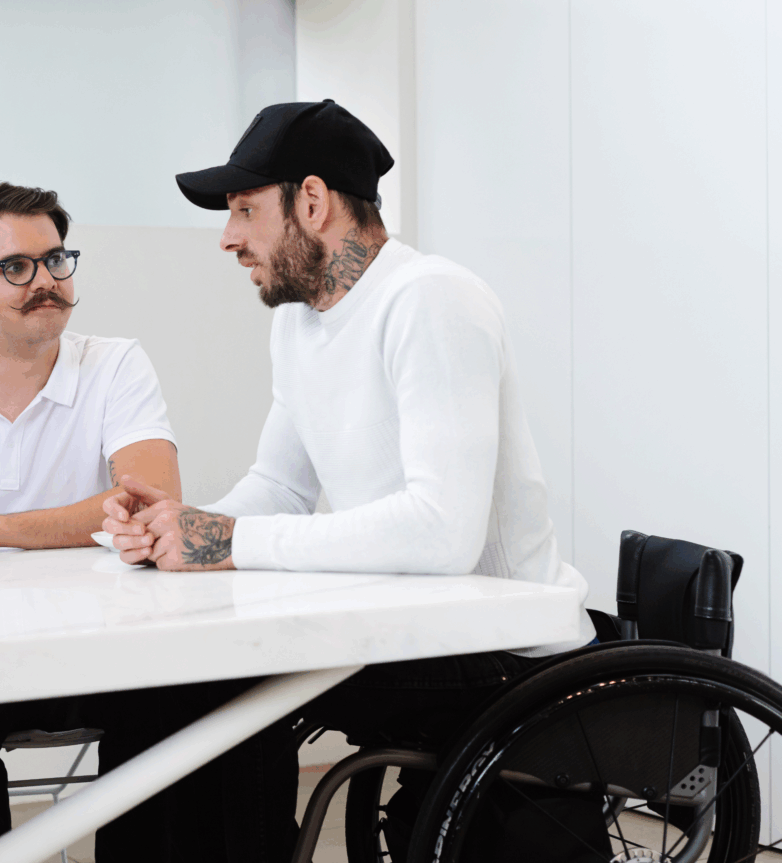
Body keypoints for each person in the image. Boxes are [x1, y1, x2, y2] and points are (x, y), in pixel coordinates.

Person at [101, 100, 597, 862]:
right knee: (163, 681)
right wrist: (180, 525)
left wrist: (230, 541)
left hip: (502, 648)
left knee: (225, 685)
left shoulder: (430, 300)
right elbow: (278, 485)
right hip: (415, 628)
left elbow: (442, 532)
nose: (229, 237)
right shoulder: (298, 320)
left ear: (312, 200)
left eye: (242, 210)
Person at [0, 182, 195, 863]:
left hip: (94, 649)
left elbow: (151, 499)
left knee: (171, 698)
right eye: (16, 267)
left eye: (56, 260)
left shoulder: (114, 363)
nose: (45, 281)